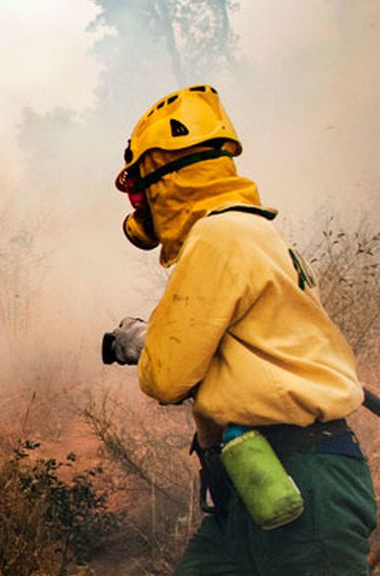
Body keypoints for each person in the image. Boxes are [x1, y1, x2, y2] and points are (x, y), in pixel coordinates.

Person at [105, 85, 376, 575]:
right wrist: (161, 333)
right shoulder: (253, 232)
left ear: (169, 178)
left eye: (140, 188)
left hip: (299, 481)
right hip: (258, 486)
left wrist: (148, 344)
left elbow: (165, 379)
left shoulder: (219, 235)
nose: (139, 204)